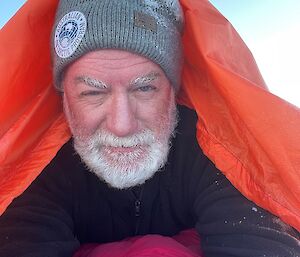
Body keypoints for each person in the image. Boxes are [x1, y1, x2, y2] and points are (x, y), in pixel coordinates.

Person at [0, 0, 299, 256]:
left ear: (173, 91)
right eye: (92, 93)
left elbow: (262, 240)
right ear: (64, 100)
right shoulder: (35, 171)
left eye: (144, 89)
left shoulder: (216, 151)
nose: (121, 125)